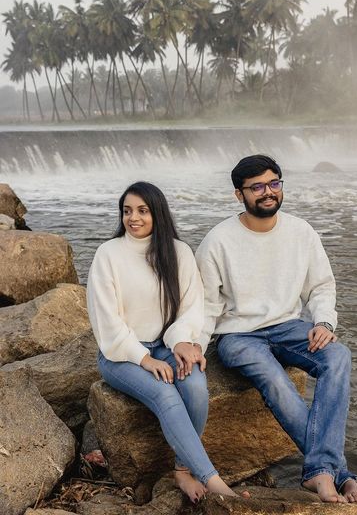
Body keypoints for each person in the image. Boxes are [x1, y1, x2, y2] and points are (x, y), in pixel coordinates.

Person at [195, 155, 357, 504]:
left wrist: (323, 322)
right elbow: (206, 305)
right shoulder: (218, 241)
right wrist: (195, 346)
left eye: (274, 183)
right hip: (238, 336)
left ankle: (321, 471)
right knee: (275, 379)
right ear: (238, 195)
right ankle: (338, 473)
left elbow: (321, 286)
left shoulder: (301, 232)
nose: (268, 192)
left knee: (338, 356)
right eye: (257, 187)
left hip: (289, 327)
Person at [87, 181, 240, 503]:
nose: (134, 218)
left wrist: (184, 342)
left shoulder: (178, 252)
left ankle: (182, 469)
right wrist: (145, 359)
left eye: (142, 210)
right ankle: (213, 480)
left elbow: (191, 307)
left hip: (166, 345)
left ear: (157, 213)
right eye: (127, 211)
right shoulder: (109, 254)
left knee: (196, 386)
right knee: (164, 394)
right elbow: (107, 321)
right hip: (121, 355)